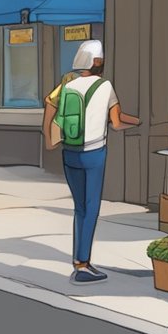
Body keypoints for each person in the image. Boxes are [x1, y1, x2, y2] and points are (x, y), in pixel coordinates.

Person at [41, 40, 140, 284]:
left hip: (69, 152)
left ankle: (79, 261)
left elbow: (49, 104)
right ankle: (83, 265)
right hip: (94, 154)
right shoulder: (105, 86)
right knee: (91, 207)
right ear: (98, 63)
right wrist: (137, 122)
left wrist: (49, 136)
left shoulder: (67, 84)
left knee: (79, 208)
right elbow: (116, 123)